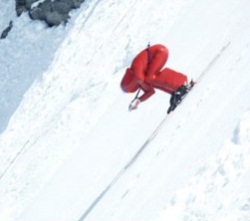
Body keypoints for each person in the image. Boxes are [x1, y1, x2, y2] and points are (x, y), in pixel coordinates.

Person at [120, 44, 192, 111]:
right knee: (151, 81)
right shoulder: (138, 79)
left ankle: (181, 85)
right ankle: (174, 92)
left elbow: (141, 80)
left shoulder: (136, 71)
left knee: (150, 78)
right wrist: (138, 100)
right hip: (158, 52)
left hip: (159, 52)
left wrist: (141, 88)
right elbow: (151, 91)